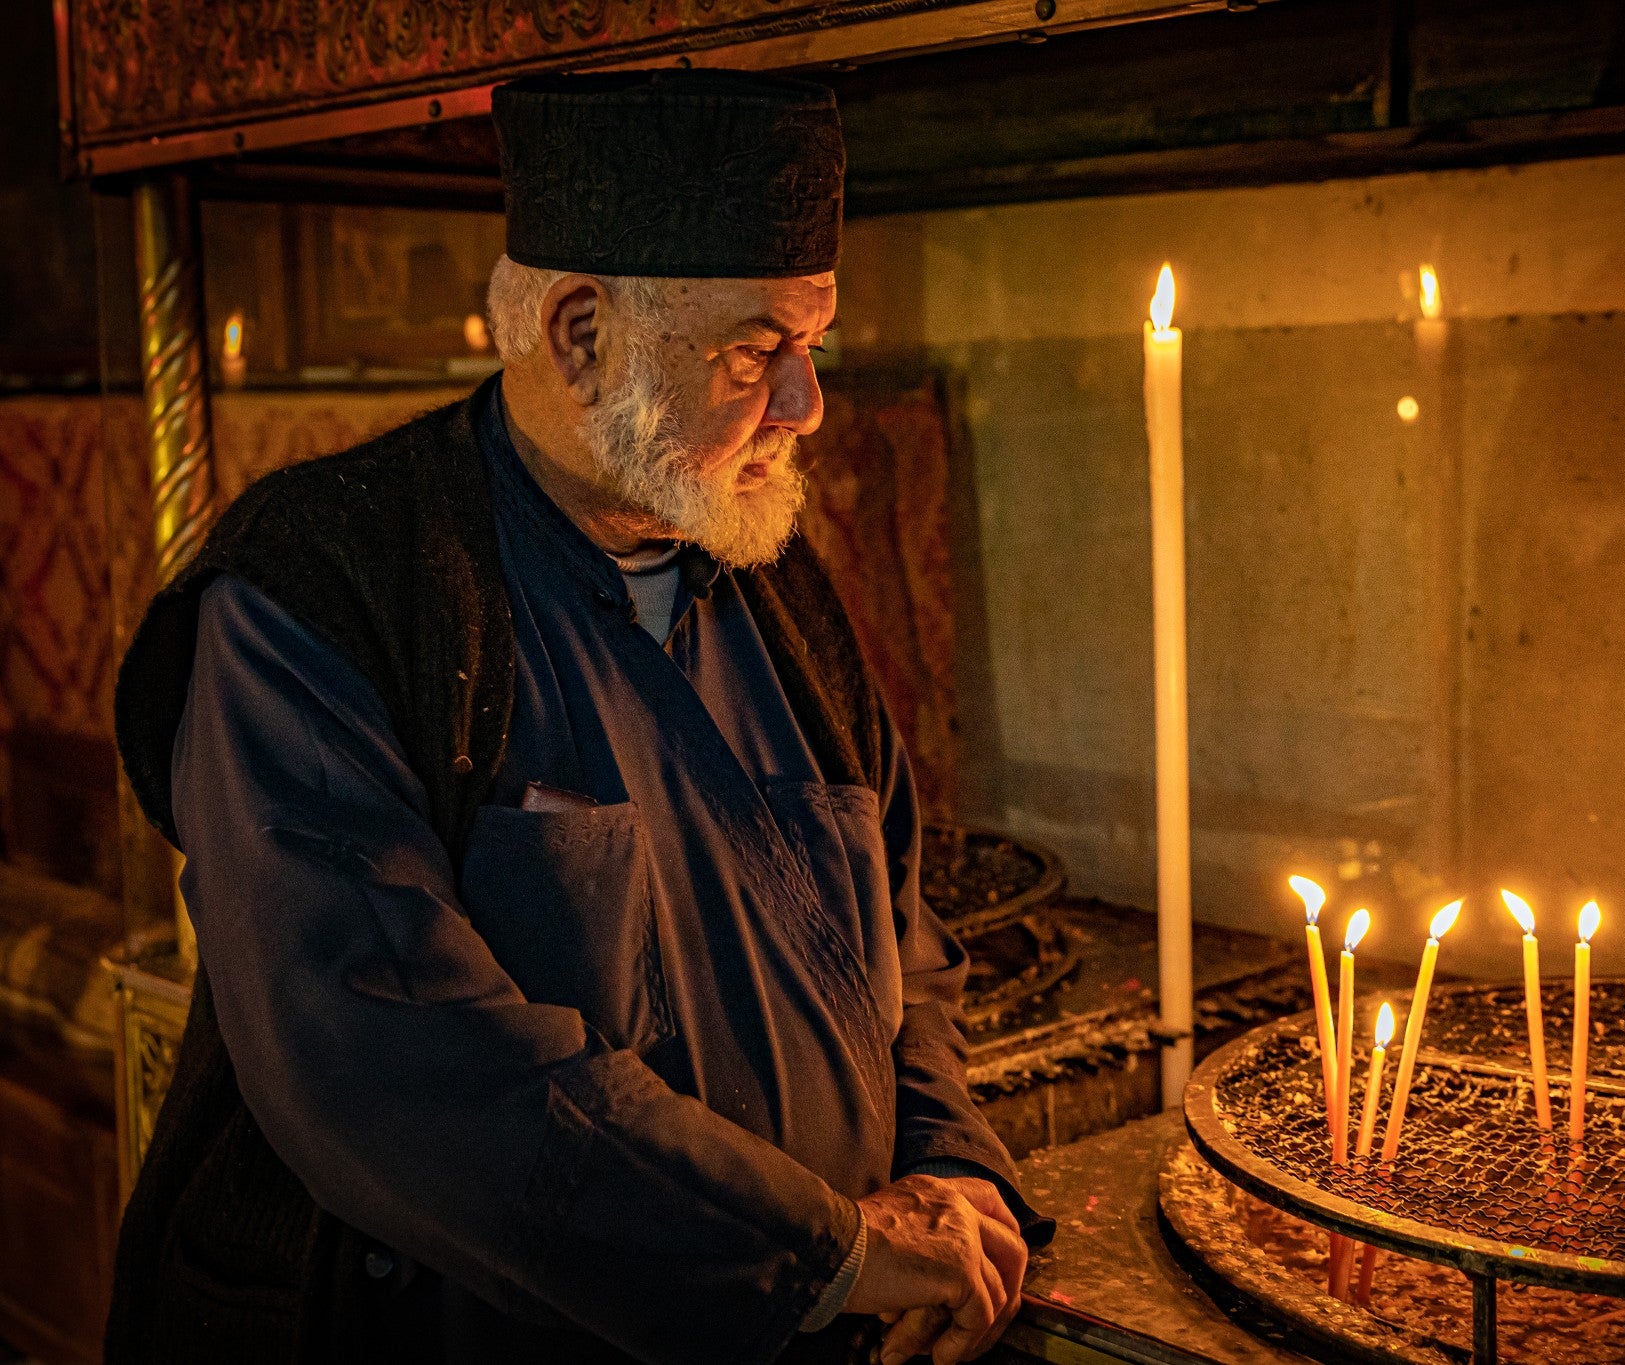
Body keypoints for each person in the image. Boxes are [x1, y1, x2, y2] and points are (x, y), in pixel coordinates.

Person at [106, 69, 1046, 1365]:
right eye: (754, 351)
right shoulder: (324, 595)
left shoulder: (777, 580)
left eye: (813, 344)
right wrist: (824, 1251)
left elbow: (904, 947)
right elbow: (391, 1062)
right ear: (581, 331)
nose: (806, 406)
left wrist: (958, 1173)